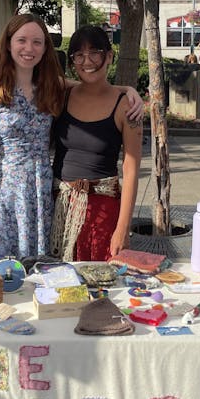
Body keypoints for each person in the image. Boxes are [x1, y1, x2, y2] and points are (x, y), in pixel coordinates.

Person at [0, 14, 143, 260]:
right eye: (21, 40)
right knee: (0, 272)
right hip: (5, 195)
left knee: (41, 274)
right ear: (8, 44)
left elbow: (91, 83)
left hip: (43, 195)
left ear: (45, 48)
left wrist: (128, 90)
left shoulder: (50, 87)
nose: (29, 48)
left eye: (37, 42)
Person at [50, 26, 142, 261]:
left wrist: (122, 228)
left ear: (109, 56)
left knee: (101, 286)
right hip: (58, 206)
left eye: (95, 53)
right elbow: (37, 79)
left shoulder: (126, 107)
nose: (87, 61)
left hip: (102, 211)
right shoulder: (62, 94)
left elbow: (130, 171)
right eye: (79, 55)